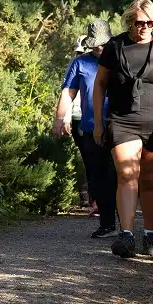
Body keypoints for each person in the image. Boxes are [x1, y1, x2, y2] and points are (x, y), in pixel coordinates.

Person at [93, 0, 153, 258]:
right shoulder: (115, 46)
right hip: (122, 120)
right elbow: (99, 85)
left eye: (150, 22)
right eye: (140, 22)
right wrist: (99, 122)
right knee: (126, 175)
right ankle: (126, 235)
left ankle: (151, 233)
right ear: (130, 20)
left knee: (150, 180)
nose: (145, 27)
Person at [54, 21, 118, 238]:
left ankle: (125, 224)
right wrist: (60, 118)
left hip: (118, 126)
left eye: (103, 45)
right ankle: (108, 223)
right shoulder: (80, 63)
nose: (99, 49)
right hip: (89, 128)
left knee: (118, 175)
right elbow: (68, 92)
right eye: (95, 46)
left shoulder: (120, 59)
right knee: (96, 175)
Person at [66, 36, 91, 209]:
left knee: (92, 158)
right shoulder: (75, 66)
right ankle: (86, 198)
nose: (80, 55)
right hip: (77, 118)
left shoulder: (97, 66)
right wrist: (65, 118)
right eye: (78, 52)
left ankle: (94, 198)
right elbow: (68, 94)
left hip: (92, 117)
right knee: (85, 158)